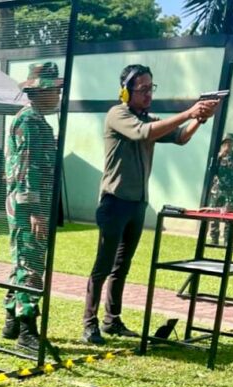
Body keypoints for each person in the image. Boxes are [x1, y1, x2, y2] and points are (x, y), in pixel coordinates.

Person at [81, 64, 220, 346]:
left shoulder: (149, 118)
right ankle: (89, 323)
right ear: (126, 91)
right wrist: (189, 112)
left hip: (137, 203)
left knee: (122, 266)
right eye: (142, 89)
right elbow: (144, 133)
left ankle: (112, 320)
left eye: (151, 88)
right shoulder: (117, 114)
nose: (148, 94)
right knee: (103, 265)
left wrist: (200, 119)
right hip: (114, 201)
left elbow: (181, 137)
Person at [1, 61, 62, 351]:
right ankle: (27, 330)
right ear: (40, 92)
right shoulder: (29, 122)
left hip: (30, 204)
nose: (58, 96)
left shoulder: (34, 120)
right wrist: (36, 211)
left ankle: (12, 320)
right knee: (31, 264)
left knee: (22, 261)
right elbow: (26, 170)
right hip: (29, 207)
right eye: (54, 91)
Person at [208, 133, 233, 245]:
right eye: (226, 142)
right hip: (217, 190)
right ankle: (214, 239)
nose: (228, 144)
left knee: (229, 216)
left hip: (232, 191)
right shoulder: (217, 157)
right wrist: (219, 157)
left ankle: (227, 241)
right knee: (215, 215)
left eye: (230, 142)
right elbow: (211, 172)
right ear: (223, 144)